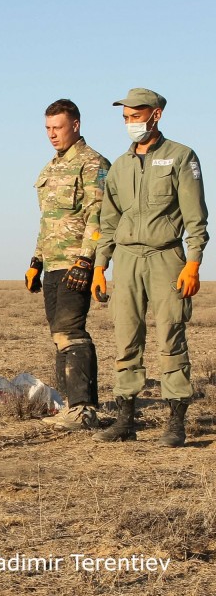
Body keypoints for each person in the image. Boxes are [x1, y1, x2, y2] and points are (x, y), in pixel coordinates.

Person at [92, 88, 208, 447]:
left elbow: (195, 217)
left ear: (156, 115)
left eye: (136, 116)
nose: (131, 123)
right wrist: (101, 265)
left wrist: (193, 262)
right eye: (126, 117)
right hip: (126, 260)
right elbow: (108, 220)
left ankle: (176, 422)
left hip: (166, 258)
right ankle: (126, 419)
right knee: (127, 339)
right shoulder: (120, 166)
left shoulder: (180, 157)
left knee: (171, 337)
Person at [24, 99, 110, 431]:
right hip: (53, 264)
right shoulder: (49, 168)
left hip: (78, 262)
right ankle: (69, 407)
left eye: (57, 127)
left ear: (75, 125)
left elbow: (99, 216)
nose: (51, 134)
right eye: (47, 128)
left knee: (71, 332)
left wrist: (87, 260)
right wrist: (36, 260)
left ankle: (85, 408)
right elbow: (48, 221)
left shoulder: (93, 164)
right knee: (58, 335)